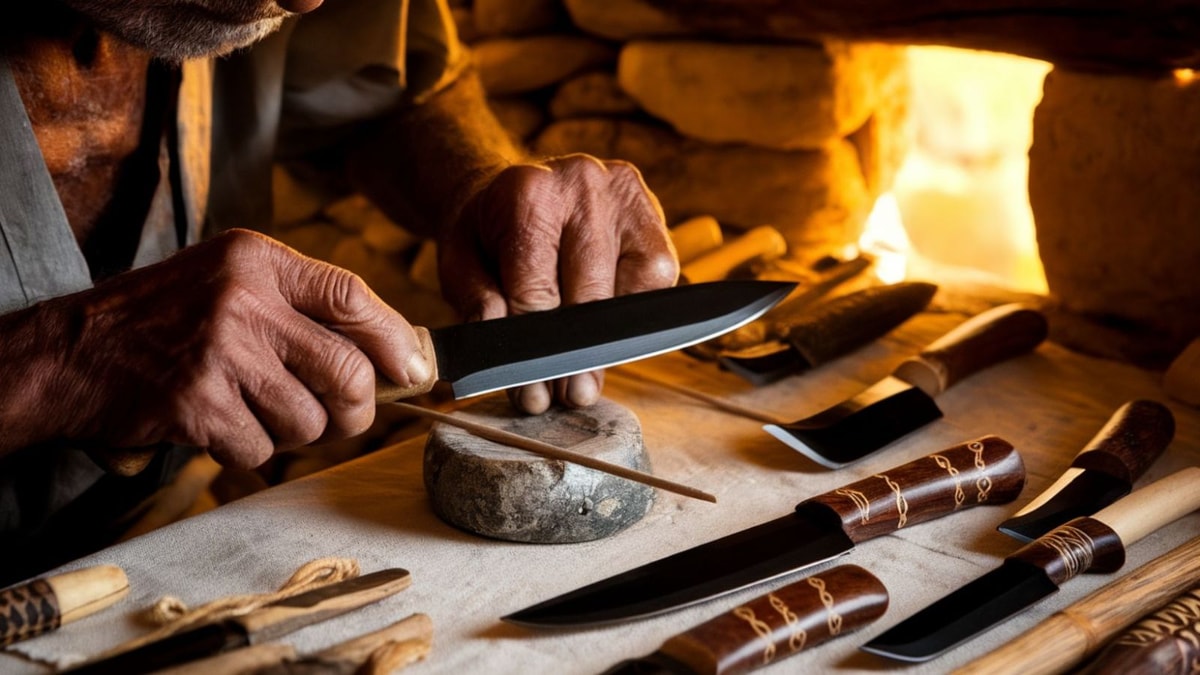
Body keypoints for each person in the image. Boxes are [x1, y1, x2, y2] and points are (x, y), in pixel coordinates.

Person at [0, 0, 679, 583]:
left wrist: (472, 182)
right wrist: (56, 361)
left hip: (180, 542)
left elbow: (379, 90)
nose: (303, 3)